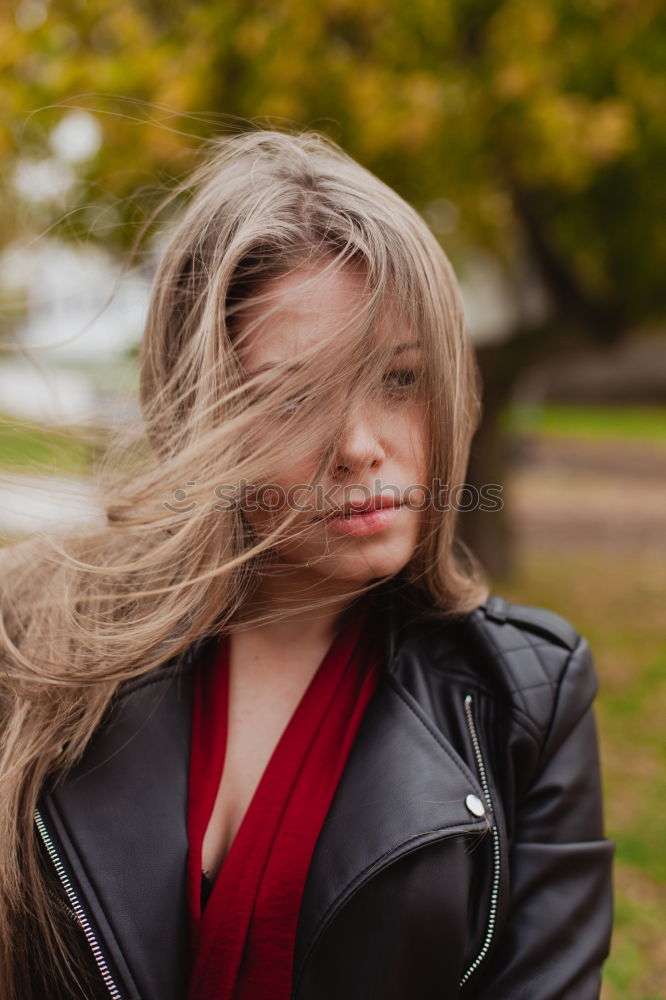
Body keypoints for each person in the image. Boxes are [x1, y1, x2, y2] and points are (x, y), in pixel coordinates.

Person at [0, 129, 613, 1000]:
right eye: (294, 397)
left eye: (400, 379)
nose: (361, 447)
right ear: (198, 409)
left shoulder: (528, 697)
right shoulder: (32, 644)